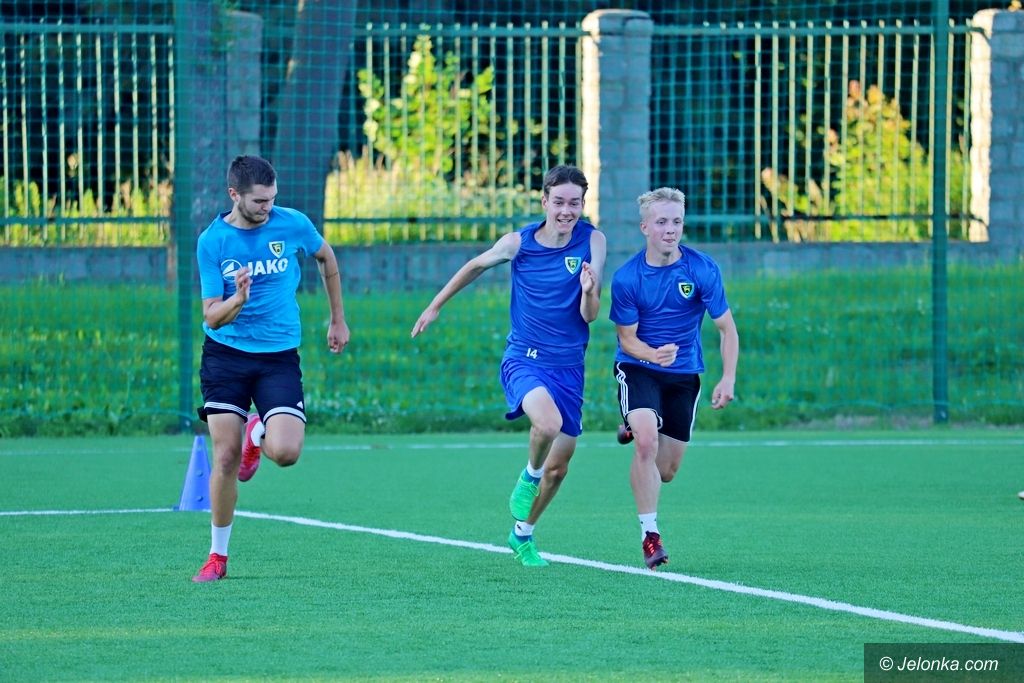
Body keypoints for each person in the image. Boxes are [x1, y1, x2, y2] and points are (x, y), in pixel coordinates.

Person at [411, 165, 606, 567]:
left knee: (559, 468)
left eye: (575, 203)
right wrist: (435, 306)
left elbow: (590, 315)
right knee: (547, 425)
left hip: (569, 366)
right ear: (544, 201)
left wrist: (589, 291)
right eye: (559, 202)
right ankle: (528, 476)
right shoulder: (519, 243)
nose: (566, 211)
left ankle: (523, 534)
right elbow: (475, 266)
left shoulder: (594, 241)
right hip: (525, 358)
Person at [191, 154, 350, 582]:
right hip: (226, 356)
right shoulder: (213, 241)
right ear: (234, 195)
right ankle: (218, 556)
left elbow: (326, 258)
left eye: (272, 199)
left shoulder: (292, 224)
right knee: (225, 457)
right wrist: (238, 300)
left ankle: (257, 433)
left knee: (286, 453)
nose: (268, 207)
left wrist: (337, 319)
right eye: (260, 201)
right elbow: (211, 317)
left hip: (278, 356)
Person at [609, 187, 739, 570]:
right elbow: (626, 339)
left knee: (665, 471)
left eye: (677, 221)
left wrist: (728, 377)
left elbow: (727, 329)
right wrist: (652, 355)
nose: (670, 229)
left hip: (683, 374)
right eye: (662, 222)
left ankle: (635, 423)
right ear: (645, 227)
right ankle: (650, 535)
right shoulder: (628, 277)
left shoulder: (702, 269)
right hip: (638, 367)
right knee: (646, 443)